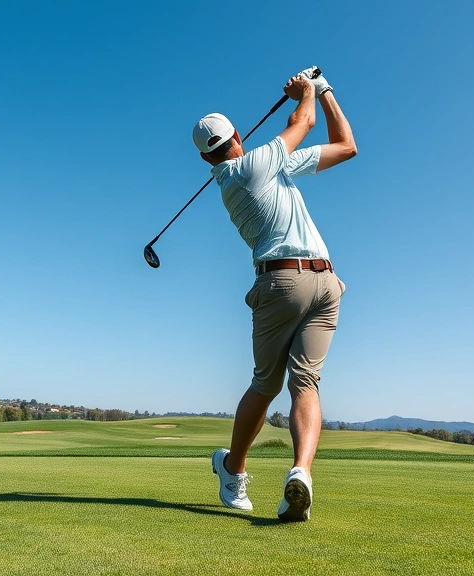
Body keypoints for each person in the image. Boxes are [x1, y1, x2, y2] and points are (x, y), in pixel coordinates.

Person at [193, 67, 357, 521]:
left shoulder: (268, 166)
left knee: (269, 385)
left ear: (206, 158)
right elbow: (302, 125)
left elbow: (346, 147)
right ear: (238, 138)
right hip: (305, 280)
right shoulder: (246, 169)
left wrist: (323, 92)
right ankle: (266, 468)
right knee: (297, 384)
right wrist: (309, 91)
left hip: (315, 285)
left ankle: (273, 474)